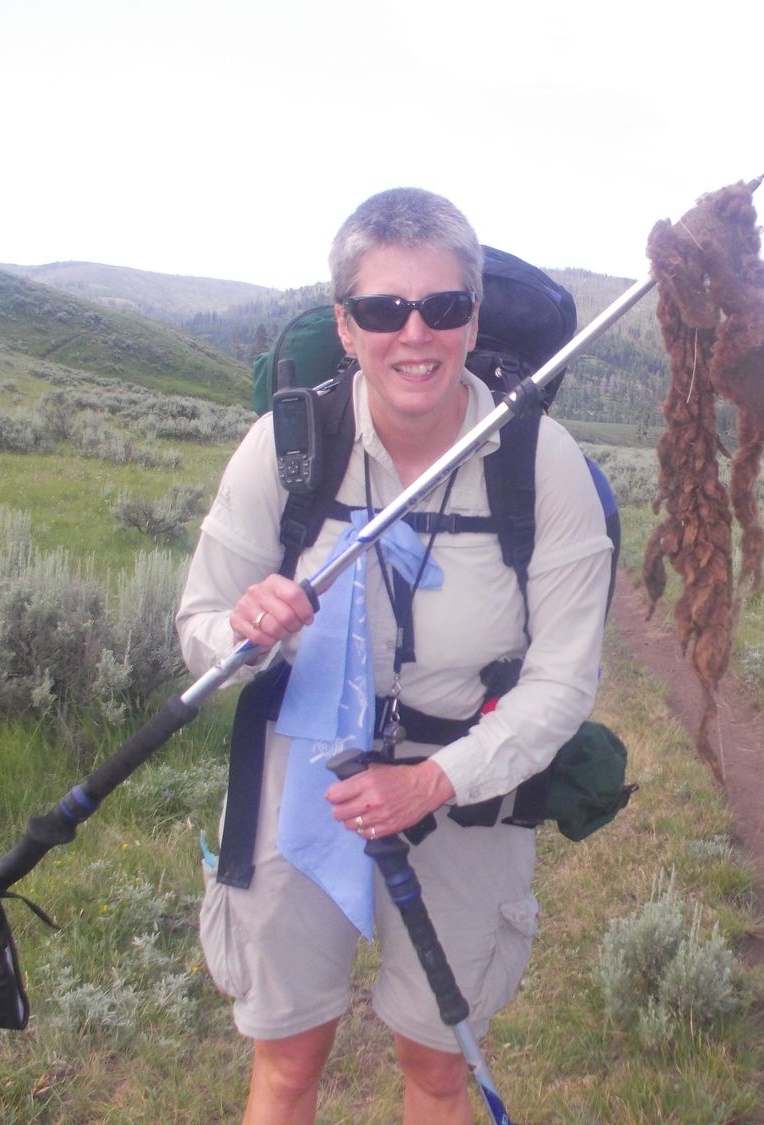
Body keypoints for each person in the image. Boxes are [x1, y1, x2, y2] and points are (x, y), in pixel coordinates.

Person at [176, 186, 612, 1123]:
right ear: (346, 324)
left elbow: (563, 679)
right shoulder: (289, 447)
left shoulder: (543, 462)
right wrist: (244, 635)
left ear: (473, 317)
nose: (415, 333)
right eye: (383, 309)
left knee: (436, 1064)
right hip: (302, 778)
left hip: (466, 786)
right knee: (287, 1059)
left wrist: (432, 781)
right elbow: (200, 622)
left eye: (443, 305)